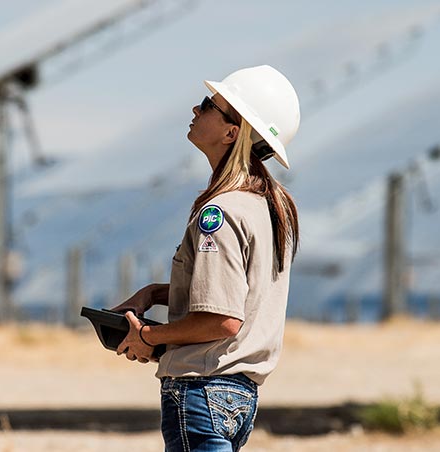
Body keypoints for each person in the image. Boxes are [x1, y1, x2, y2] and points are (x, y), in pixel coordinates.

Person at [112, 65, 301, 452]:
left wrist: (148, 336)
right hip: (236, 398)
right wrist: (152, 294)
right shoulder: (266, 205)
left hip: (202, 391)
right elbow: (238, 295)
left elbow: (222, 319)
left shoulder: (222, 212)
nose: (196, 111)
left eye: (208, 105)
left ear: (232, 132)